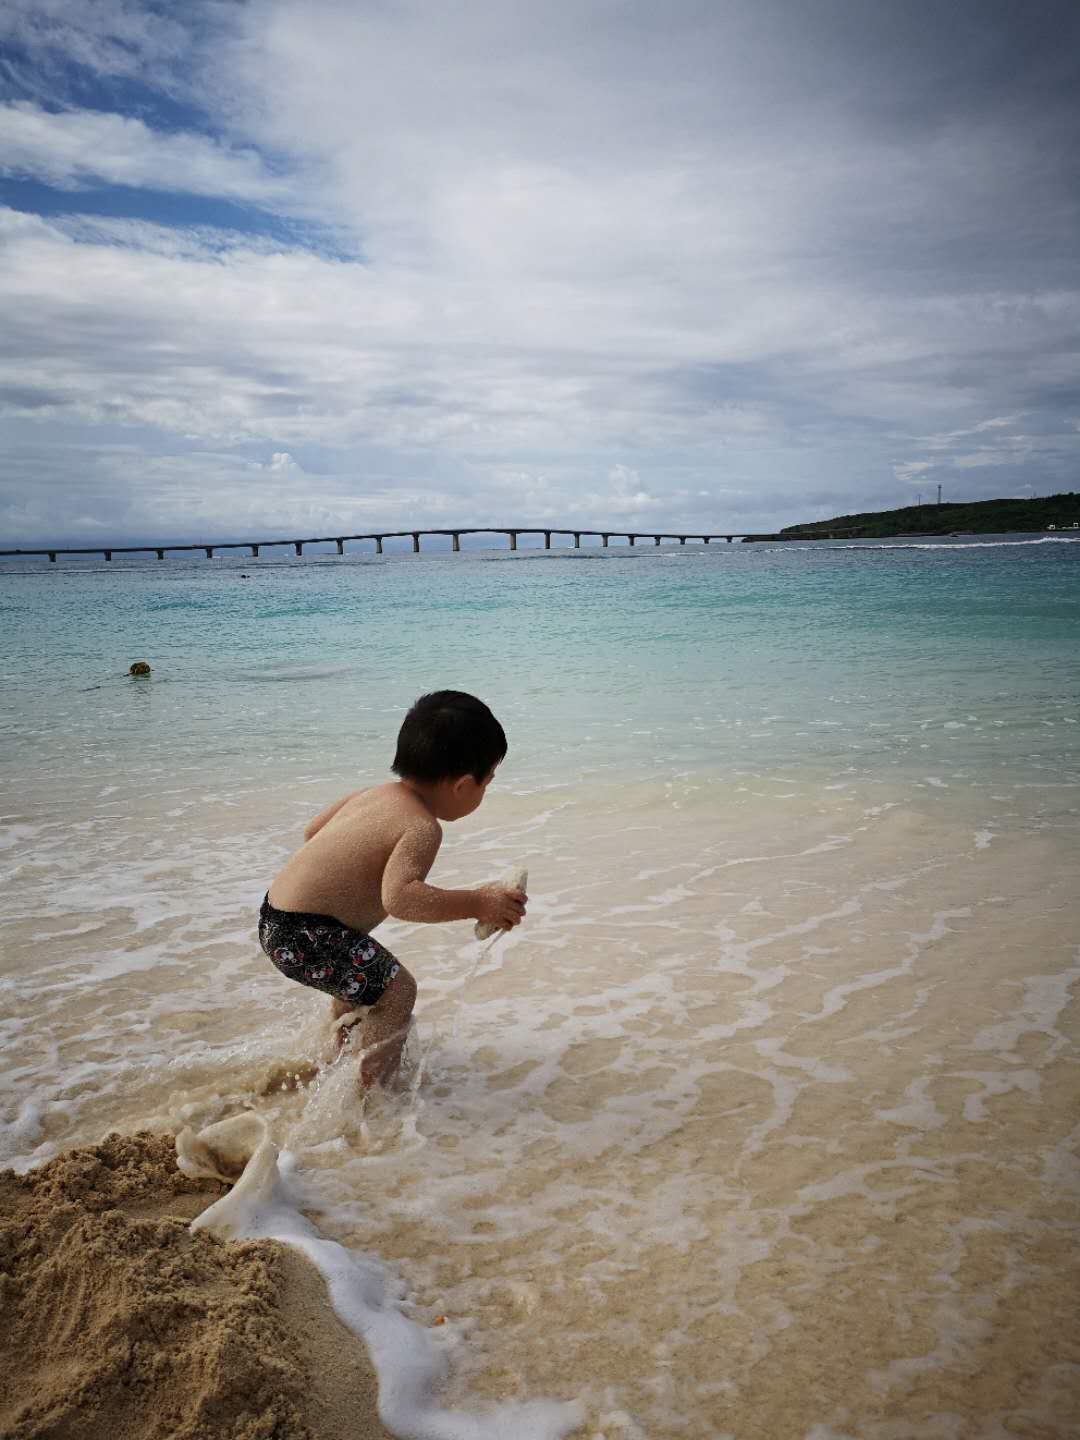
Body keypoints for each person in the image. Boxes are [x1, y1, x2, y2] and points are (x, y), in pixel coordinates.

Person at [259, 691, 526, 1087]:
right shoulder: (421, 826)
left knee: (360, 986)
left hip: (274, 918)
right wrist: (478, 902)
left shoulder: (372, 794)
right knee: (398, 991)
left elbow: (313, 831)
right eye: (487, 782)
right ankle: (370, 1095)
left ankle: (334, 1067)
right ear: (463, 785)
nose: (484, 791)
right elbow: (400, 898)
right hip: (306, 933)